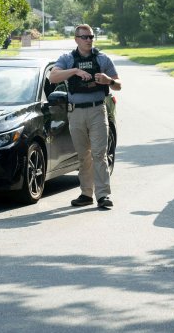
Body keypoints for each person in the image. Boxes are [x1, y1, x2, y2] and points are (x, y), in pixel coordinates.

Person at [49, 24, 121, 209]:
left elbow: (118, 84)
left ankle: (103, 195)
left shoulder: (102, 58)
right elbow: (53, 77)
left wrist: (109, 80)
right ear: (76, 39)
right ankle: (86, 194)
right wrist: (74, 71)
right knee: (83, 156)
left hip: (97, 110)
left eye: (91, 36)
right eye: (84, 37)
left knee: (99, 153)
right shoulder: (67, 59)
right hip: (75, 112)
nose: (88, 40)